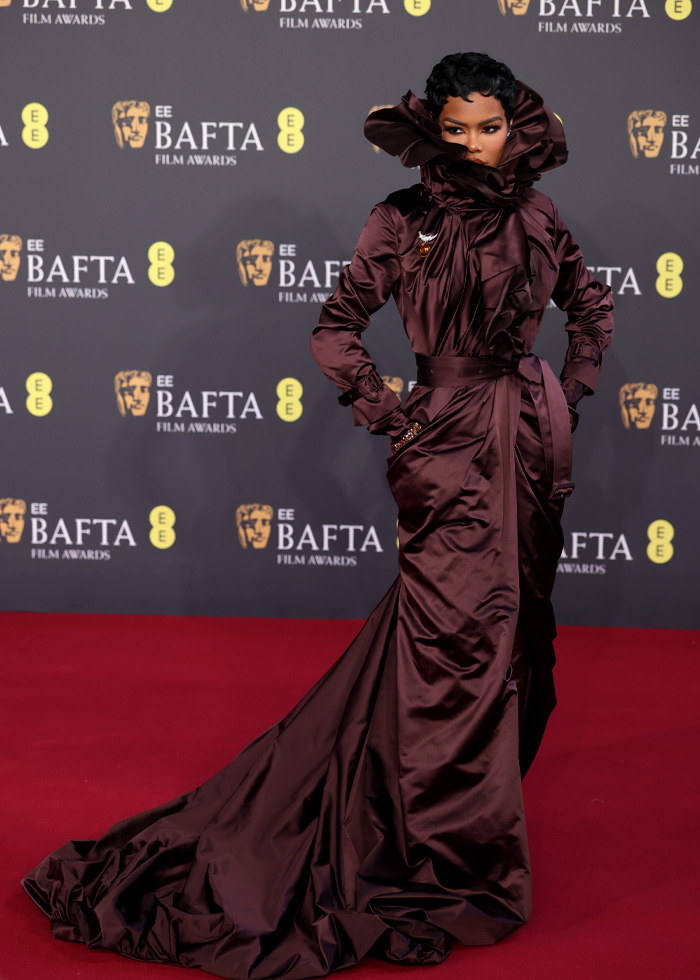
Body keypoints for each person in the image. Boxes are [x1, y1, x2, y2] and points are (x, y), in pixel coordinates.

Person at [21, 53, 613, 979]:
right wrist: (394, 411)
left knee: (505, 647)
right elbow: (337, 328)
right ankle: (437, 860)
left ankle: (452, 843)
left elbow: (594, 310)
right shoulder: (401, 218)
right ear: (433, 128)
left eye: (486, 127)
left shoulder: (539, 215)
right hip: (444, 447)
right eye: (454, 128)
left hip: (527, 444)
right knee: (448, 648)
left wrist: (566, 396)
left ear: (517, 126)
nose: (470, 145)